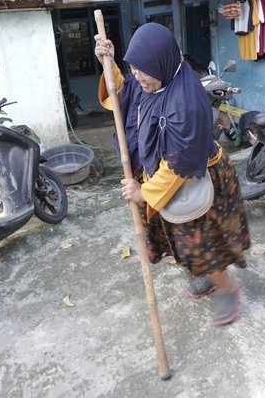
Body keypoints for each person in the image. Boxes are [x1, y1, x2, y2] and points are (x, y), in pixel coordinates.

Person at [94, 22, 251, 326]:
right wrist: (108, 62)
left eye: (143, 71)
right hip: (165, 180)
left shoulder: (185, 104)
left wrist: (144, 193)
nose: (137, 77)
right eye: (134, 69)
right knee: (179, 241)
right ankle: (207, 275)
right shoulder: (152, 81)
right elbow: (120, 95)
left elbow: (177, 163)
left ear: (162, 64)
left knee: (200, 242)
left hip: (194, 180)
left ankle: (227, 287)